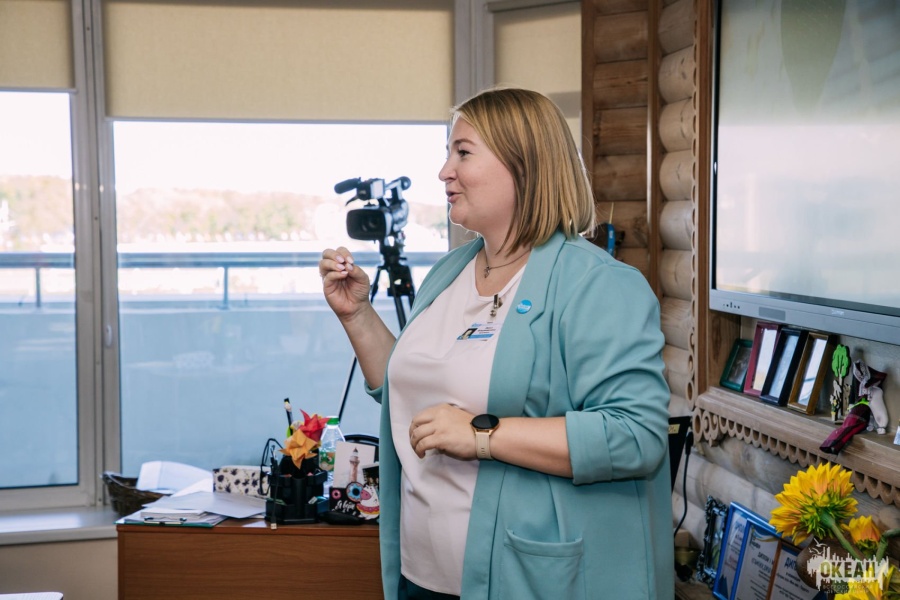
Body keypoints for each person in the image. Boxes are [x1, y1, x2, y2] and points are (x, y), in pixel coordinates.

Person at [319, 87, 673, 599]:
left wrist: (481, 435)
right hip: (421, 575)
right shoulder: (450, 271)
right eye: (448, 153)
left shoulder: (596, 284)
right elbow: (409, 391)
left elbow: (635, 435)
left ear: (523, 165)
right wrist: (357, 315)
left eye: (462, 152)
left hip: (524, 581)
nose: (444, 171)